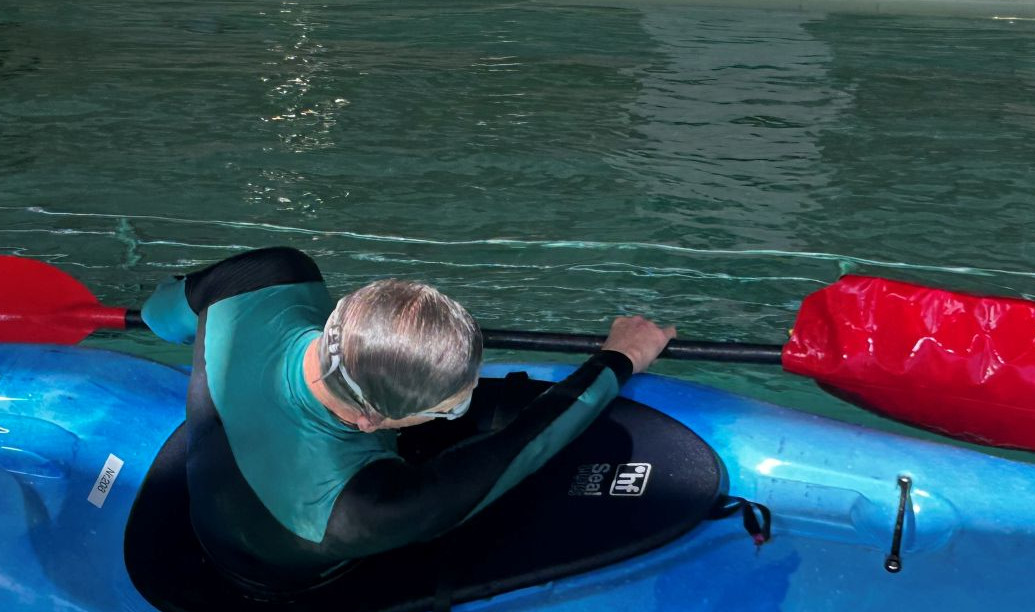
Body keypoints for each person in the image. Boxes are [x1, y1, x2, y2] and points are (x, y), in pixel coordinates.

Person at [139, 246, 674, 594]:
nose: (461, 406)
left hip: (237, 464)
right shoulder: (362, 509)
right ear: (371, 420)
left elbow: (158, 317)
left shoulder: (269, 273)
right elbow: (524, 447)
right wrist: (620, 357)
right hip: (282, 577)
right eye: (448, 409)